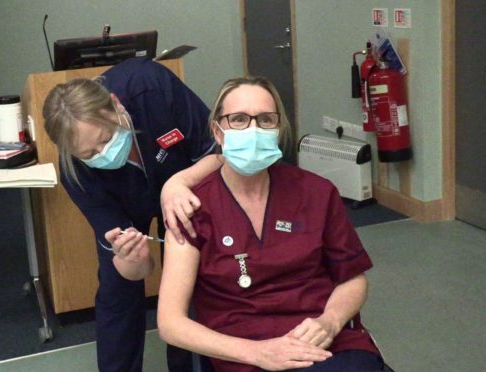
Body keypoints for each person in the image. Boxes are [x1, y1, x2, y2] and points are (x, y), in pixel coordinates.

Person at [157, 76, 385, 371]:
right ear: (218, 132)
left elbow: (352, 278)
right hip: (243, 353)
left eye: (265, 120)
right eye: (238, 119)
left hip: (320, 343)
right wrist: (257, 353)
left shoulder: (317, 193)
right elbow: (170, 323)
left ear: (277, 130)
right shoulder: (191, 208)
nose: (253, 130)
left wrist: (329, 322)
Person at [42, 57, 222, 372]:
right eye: (89, 154)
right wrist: (132, 261)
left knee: (192, 274)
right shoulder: (76, 174)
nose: (103, 154)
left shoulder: (149, 86)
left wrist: (177, 184)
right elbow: (137, 270)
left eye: (105, 138)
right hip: (125, 200)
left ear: (115, 104)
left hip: (188, 182)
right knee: (117, 286)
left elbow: (218, 153)